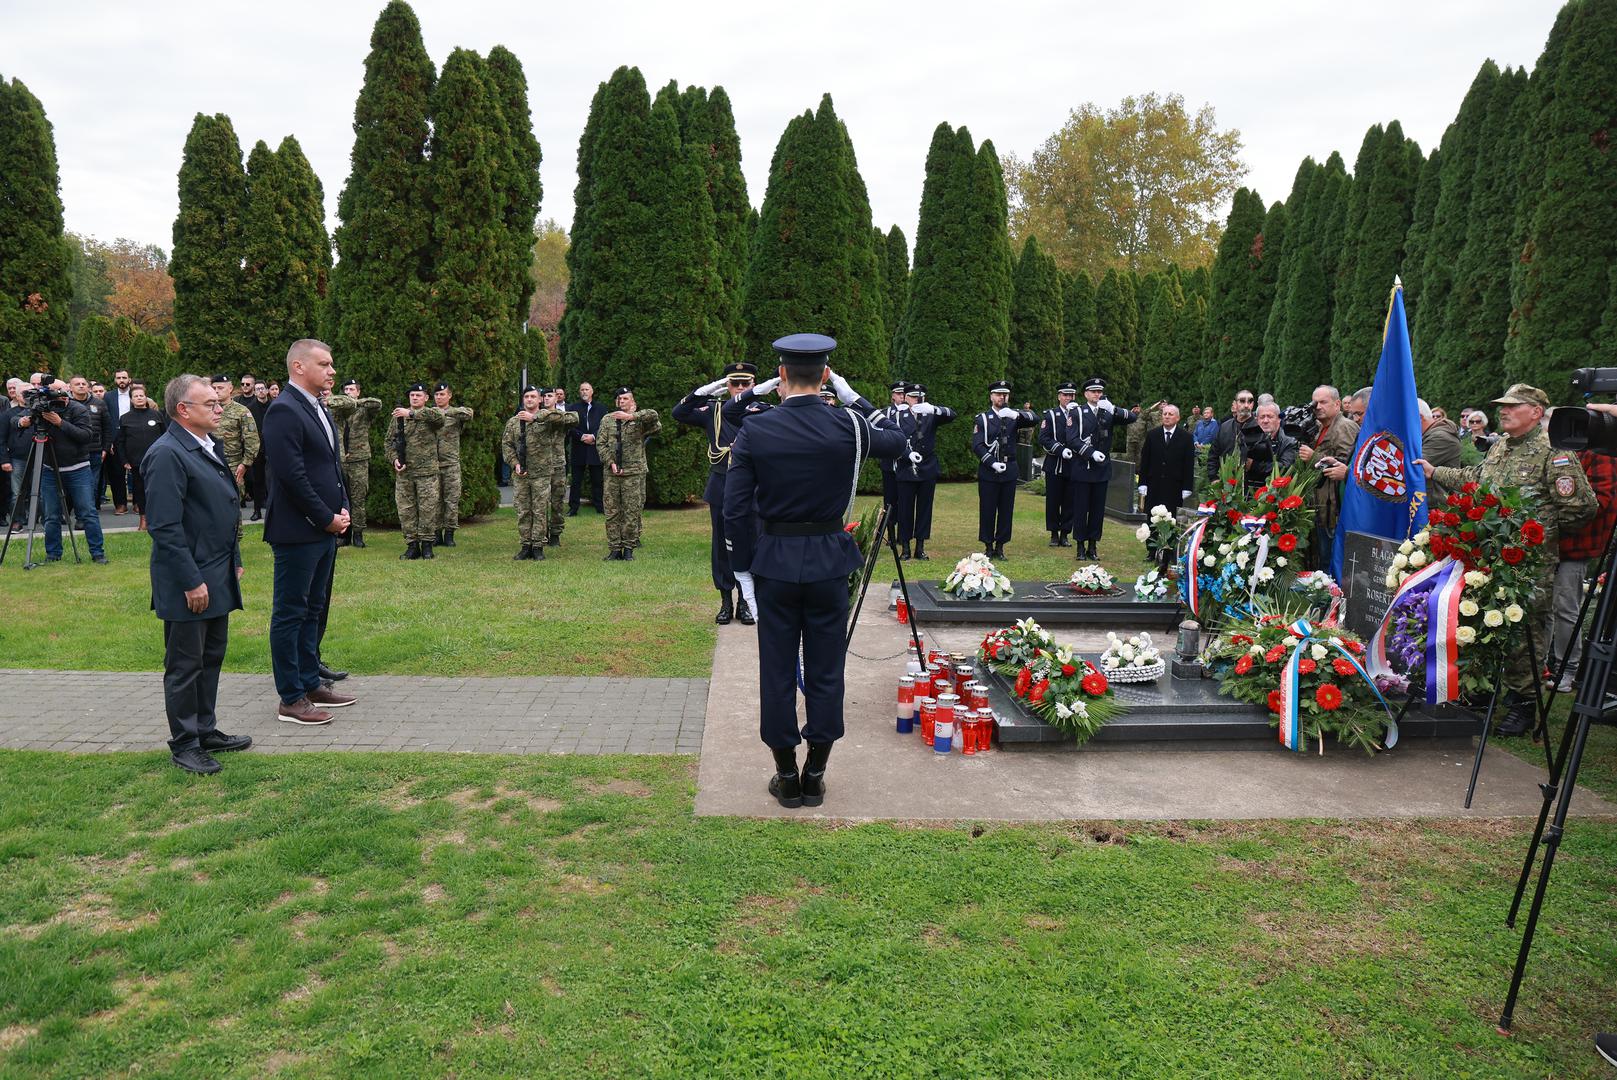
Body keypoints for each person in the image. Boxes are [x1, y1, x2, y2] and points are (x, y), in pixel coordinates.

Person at [723, 334, 904, 809]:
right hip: (827, 561)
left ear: (781, 375)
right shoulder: (849, 424)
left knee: (777, 670)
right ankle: (816, 771)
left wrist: (742, 571)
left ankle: (785, 774)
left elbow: (735, 510)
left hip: (775, 564)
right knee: (827, 668)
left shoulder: (756, 431)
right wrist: (854, 398)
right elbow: (899, 440)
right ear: (826, 375)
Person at [1418, 384, 1597, 736]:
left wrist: (1541, 532)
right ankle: (1486, 694)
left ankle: (1524, 705)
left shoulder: (1554, 452)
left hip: (1531, 563)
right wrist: (1434, 472)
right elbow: (1476, 478)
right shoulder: (1500, 446)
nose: (1504, 411)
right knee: (1489, 622)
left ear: (1535, 411)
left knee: (1524, 631)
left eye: (1513, 406)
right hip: (1492, 557)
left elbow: (1581, 507)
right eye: (1502, 406)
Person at [141, 374, 254, 774]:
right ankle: (185, 742)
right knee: (185, 664)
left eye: (218, 402)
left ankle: (205, 730)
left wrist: (233, 556)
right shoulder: (167, 453)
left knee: (210, 656)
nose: (219, 407)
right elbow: (165, 527)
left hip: (215, 570)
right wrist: (191, 581)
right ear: (183, 410)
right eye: (210, 404)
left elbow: (219, 508)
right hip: (190, 579)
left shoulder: (206, 444)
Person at [262, 339, 355, 727]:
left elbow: (329, 465)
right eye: (325, 364)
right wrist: (324, 517)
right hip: (298, 530)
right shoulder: (284, 410)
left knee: (315, 609)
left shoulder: (316, 406)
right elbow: (292, 476)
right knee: (291, 612)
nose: (332, 371)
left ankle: (310, 680)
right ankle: (291, 697)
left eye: (332, 364)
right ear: (298, 367)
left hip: (323, 526)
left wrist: (343, 505)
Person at [674, 362, 762, 624]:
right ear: (727, 386)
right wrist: (709, 389)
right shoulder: (714, 410)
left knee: (751, 542)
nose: (740, 388)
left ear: (754, 386)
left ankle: (746, 601)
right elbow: (679, 412)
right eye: (735, 383)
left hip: (751, 487)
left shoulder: (761, 411)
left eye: (746, 384)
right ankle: (726, 600)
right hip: (722, 483)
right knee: (722, 545)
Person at [1548, 422, 1617, 692]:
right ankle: (1542, 666)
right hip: (1548, 542)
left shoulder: (1600, 455)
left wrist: (1555, 515)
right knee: (1544, 610)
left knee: (1565, 608)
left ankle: (1567, 670)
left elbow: (1601, 502)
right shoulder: (1560, 452)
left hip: (1575, 545)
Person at [16, 379, 108, 563]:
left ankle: (97, 553)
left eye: (59, 391)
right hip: (50, 469)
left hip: (78, 469)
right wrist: (21, 422)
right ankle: (53, 554)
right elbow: (14, 419)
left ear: (66, 392)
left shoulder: (78, 409)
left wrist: (60, 423)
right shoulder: (43, 408)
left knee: (87, 512)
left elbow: (86, 436)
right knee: (51, 515)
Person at [1068, 377, 1141, 561]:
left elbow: (1132, 417)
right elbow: (1072, 438)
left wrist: (1113, 408)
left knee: (1097, 510)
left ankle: (1093, 545)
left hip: (1101, 470)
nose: (1097, 394)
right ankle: (1080, 546)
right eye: (1093, 391)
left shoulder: (1107, 412)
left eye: (1099, 391)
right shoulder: (1077, 412)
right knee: (1080, 508)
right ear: (1086, 394)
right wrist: (1090, 452)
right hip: (1083, 467)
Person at [971, 379, 1037, 558]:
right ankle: (988, 546)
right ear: (991, 396)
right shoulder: (983, 418)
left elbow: (1035, 419)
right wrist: (991, 462)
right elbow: (977, 445)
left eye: (1005, 394)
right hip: (989, 470)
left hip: (1009, 468)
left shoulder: (1013, 415)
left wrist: (1018, 416)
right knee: (988, 509)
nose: (1002, 397)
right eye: (999, 394)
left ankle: (1000, 546)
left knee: (1006, 510)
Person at [1295, 385, 1358, 570]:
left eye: (1323, 402)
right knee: (1320, 556)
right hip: (1319, 504)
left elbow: (1345, 464)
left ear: (1337, 404)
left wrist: (1313, 456)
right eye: (1315, 402)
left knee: (1330, 558)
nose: (1318, 407)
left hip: (1334, 507)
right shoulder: (1317, 427)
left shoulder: (1345, 427)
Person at [596, 387, 661, 560]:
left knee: (631, 512)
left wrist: (633, 416)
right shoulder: (607, 420)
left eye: (626, 399)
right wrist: (610, 463)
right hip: (612, 474)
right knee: (612, 512)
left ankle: (629, 549)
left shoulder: (640, 420)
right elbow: (600, 444)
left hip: (633, 473)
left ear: (632, 401)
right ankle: (615, 549)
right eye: (619, 399)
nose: (622, 401)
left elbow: (655, 417)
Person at [892, 383, 955, 560]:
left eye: (920, 397)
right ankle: (905, 547)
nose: (917, 400)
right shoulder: (899, 416)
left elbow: (952, 415)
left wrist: (933, 408)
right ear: (906, 398)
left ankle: (920, 546)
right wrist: (907, 454)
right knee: (905, 508)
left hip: (927, 467)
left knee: (924, 508)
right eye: (913, 396)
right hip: (906, 467)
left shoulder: (930, 414)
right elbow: (893, 440)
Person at [503, 386, 561, 560]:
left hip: (541, 474)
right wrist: (515, 464)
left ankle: (538, 546)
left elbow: (570, 419)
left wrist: (535, 418)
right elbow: (506, 446)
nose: (529, 400)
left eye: (533, 397)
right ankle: (525, 544)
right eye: (526, 397)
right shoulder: (513, 422)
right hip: (521, 474)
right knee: (523, 510)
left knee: (539, 510)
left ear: (540, 400)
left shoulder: (547, 420)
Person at [390, 383, 445, 560]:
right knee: (406, 510)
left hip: (427, 472)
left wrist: (411, 414)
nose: (414, 398)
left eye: (418, 395)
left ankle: (427, 545)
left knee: (428, 509)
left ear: (426, 398)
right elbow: (388, 442)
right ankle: (412, 545)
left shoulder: (431, 414)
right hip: (405, 473)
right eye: (412, 395)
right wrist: (394, 459)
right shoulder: (398, 417)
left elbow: (439, 418)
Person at [327, 378, 382, 548]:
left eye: (352, 389)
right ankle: (343, 534)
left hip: (359, 459)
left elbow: (377, 403)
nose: (349, 392)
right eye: (346, 390)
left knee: (358, 499)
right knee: (341, 499)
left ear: (358, 392)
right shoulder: (337, 409)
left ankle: (358, 534)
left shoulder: (364, 410)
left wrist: (355, 402)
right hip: (341, 459)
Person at [210, 374, 260, 546]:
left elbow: (252, 439)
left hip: (232, 463)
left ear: (230, 389)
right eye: (214, 388)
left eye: (220, 388)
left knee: (232, 502)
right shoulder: (206, 410)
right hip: (208, 462)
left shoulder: (241, 411)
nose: (216, 391)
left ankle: (234, 543)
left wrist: (245, 463)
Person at [1136, 402, 1196, 534]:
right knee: (1152, 518)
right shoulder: (1152, 435)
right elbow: (1145, 460)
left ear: (1178, 418)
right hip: (1154, 485)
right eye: (1165, 414)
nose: (1167, 416)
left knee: (1171, 519)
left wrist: (1187, 487)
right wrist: (1142, 483)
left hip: (1174, 486)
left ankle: (1168, 552)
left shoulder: (1186, 438)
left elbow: (1188, 464)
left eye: (1170, 414)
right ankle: (1151, 552)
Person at [115, 382, 167, 531]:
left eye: (141, 395)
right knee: (140, 491)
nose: (139, 398)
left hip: (157, 461)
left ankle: (159, 518)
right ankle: (144, 519)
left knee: (158, 489)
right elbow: (121, 442)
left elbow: (166, 436)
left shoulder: (156, 415)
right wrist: (124, 460)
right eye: (135, 396)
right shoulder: (125, 418)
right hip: (137, 462)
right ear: (131, 400)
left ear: (146, 398)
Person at [1038, 382, 1083, 547]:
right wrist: (1059, 449)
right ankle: (1054, 533)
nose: (1068, 398)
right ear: (1059, 396)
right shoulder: (1051, 415)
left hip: (1074, 464)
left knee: (1070, 501)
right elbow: (1043, 437)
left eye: (1071, 395)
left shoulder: (1079, 414)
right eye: (1065, 395)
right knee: (1053, 500)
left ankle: (1065, 533)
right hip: (1055, 463)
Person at [430, 382, 474, 548]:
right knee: (434, 501)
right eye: (437, 395)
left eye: (443, 394)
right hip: (432, 465)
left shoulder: (456, 414)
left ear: (449, 396)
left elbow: (469, 413)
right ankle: (436, 534)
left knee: (451, 501)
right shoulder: (429, 414)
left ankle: (449, 534)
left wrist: (446, 412)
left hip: (451, 465)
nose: (439, 397)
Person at [566, 382, 606, 515]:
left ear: (592, 391)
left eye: (587, 389)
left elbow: (605, 427)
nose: (584, 392)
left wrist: (594, 437)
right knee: (576, 481)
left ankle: (600, 507)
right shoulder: (573, 408)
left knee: (597, 480)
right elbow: (569, 427)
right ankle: (573, 508)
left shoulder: (601, 408)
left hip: (595, 449)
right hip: (579, 448)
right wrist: (581, 436)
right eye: (582, 389)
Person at [1419, 398, 1464, 506]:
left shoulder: (1441, 437)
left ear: (1420, 417)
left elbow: (1413, 467)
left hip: (1436, 508)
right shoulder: (1428, 434)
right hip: (1427, 503)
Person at [1207, 390, 1259, 480]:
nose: (1246, 405)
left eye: (1250, 401)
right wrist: (1213, 478)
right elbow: (1213, 455)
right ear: (1235, 404)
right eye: (1242, 401)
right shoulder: (1224, 427)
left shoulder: (1259, 428)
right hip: (1225, 484)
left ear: (1253, 404)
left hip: (1251, 485)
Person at [1244, 401, 1298, 487]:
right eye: (1262, 417)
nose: (1265, 421)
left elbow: (1284, 468)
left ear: (1279, 419)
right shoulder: (1247, 439)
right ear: (1256, 420)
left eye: (1270, 416)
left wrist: (1254, 465)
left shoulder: (1290, 442)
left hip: (1278, 493)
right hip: (1249, 492)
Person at [103, 368, 133, 513]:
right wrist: (109, 442)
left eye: (124, 377)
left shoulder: (136, 395)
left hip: (134, 438)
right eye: (119, 378)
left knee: (138, 472)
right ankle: (120, 504)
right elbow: (106, 420)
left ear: (129, 379)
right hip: (115, 440)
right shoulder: (108, 397)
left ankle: (139, 503)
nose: (121, 380)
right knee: (116, 474)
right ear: (115, 380)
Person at [241, 381, 271, 521]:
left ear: (267, 390)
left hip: (273, 448)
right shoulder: (250, 408)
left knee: (273, 480)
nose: (260, 391)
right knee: (257, 481)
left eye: (262, 389)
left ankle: (274, 511)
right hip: (257, 449)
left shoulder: (274, 405)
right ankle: (257, 510)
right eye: (257, 389)